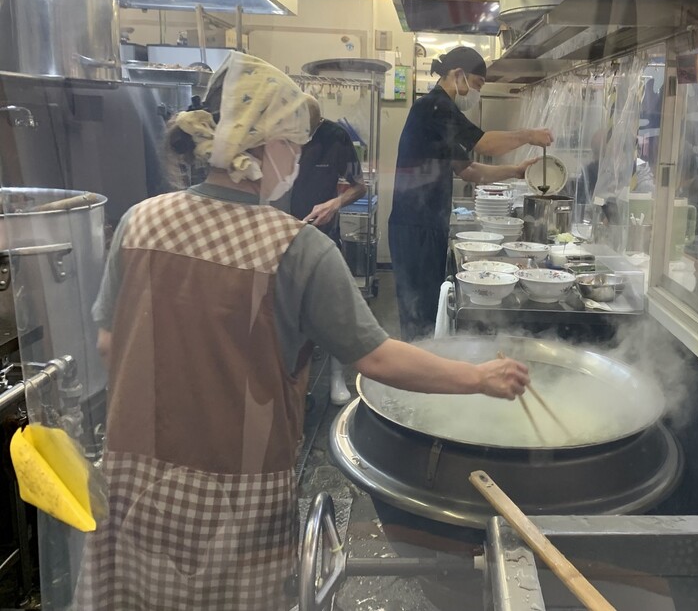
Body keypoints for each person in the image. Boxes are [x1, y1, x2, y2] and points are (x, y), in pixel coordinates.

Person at [76, 52, 530, 611]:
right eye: (293, 144)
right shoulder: (295, 248)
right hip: (235, 499)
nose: (296, 158)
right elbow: (379, 360)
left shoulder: (140, 221)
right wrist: (479, 376)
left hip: (129, 485)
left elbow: (108, 345)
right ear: (264, 145)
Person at [388, 46, 552, 341]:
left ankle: (425, 369)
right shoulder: (435, 106)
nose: (475, 93)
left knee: (426, 310)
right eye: (477, 85)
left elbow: (469, 170)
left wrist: (517, 171)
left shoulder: (439, 116)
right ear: (458, 75)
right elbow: (484, 144)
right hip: (415, 226)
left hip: (426, 225)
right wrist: (529, 135)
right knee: (419, 313)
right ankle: (415, 375)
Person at [290, 103, 368, 405]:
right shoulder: (278, 134)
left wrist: (334, 204)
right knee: (294, 310)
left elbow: (359, 187)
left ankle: (336, 377)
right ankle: (297, 381)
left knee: (332, 303)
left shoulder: (336, 137)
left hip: (322, 232)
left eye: (307, 132)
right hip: (283, 230)